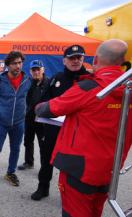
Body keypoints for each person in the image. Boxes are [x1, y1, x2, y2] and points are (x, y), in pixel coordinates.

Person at [37, 39, 132, 217]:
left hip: (79, 161)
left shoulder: (91, 87)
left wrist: (41, 107)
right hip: (112, 162)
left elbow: (49, 108)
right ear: (123, 61)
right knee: (96, 203)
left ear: (95, 59)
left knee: (75, 208)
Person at [31, 45, 91, 201]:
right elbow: (44, 100)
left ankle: (71, 195)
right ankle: (43, 188)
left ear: (83, 59)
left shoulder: (90, 80)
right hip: (55, 128)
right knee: (47, 157)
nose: (75, 61)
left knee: (74, 163)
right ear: (64, 60)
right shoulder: (57, 79)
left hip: (79, 130)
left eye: (79, 58)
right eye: (71, 58)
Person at [0, 50, 31, 187]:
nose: (17, 66)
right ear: (7, 66)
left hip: (18, 122)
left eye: (20, 63)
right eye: (14, 63)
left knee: (15, 149)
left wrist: (22, 113)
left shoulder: (28, 82)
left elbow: (29, 99)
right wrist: (1, 112)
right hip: (1, 122)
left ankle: (10, 172)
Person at [18, 60, 50, 170]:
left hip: (44, 120)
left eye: (38, 70)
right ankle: (28, 162)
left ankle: (44, 166)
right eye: (34, 70)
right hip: (29, 118)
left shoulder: (50, 83)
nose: (36, 72)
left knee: (43, 144)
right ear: (30, 71)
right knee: (28, 142)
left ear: (43, 70)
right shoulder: (28, 83)